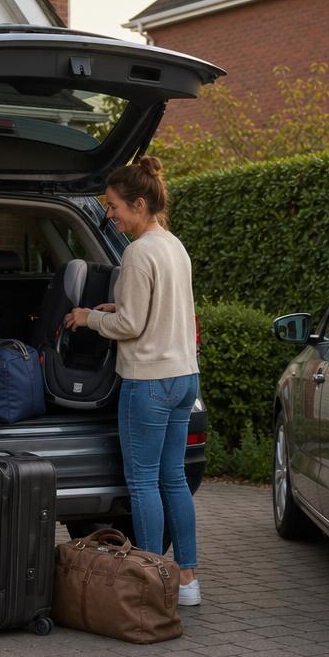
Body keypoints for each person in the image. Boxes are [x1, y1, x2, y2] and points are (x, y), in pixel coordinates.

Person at [64, 156, 202, 606]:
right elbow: (154, 311)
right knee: (173, 479)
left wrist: (89, 318)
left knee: (142, 482)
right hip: (184, 378)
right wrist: (114, 311)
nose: (111, 215)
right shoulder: (173, 245)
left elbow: (132, 327)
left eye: (114, 206)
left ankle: (149, 581)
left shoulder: (138, 252)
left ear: (139, 204)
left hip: (149, 382)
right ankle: (186, 579)